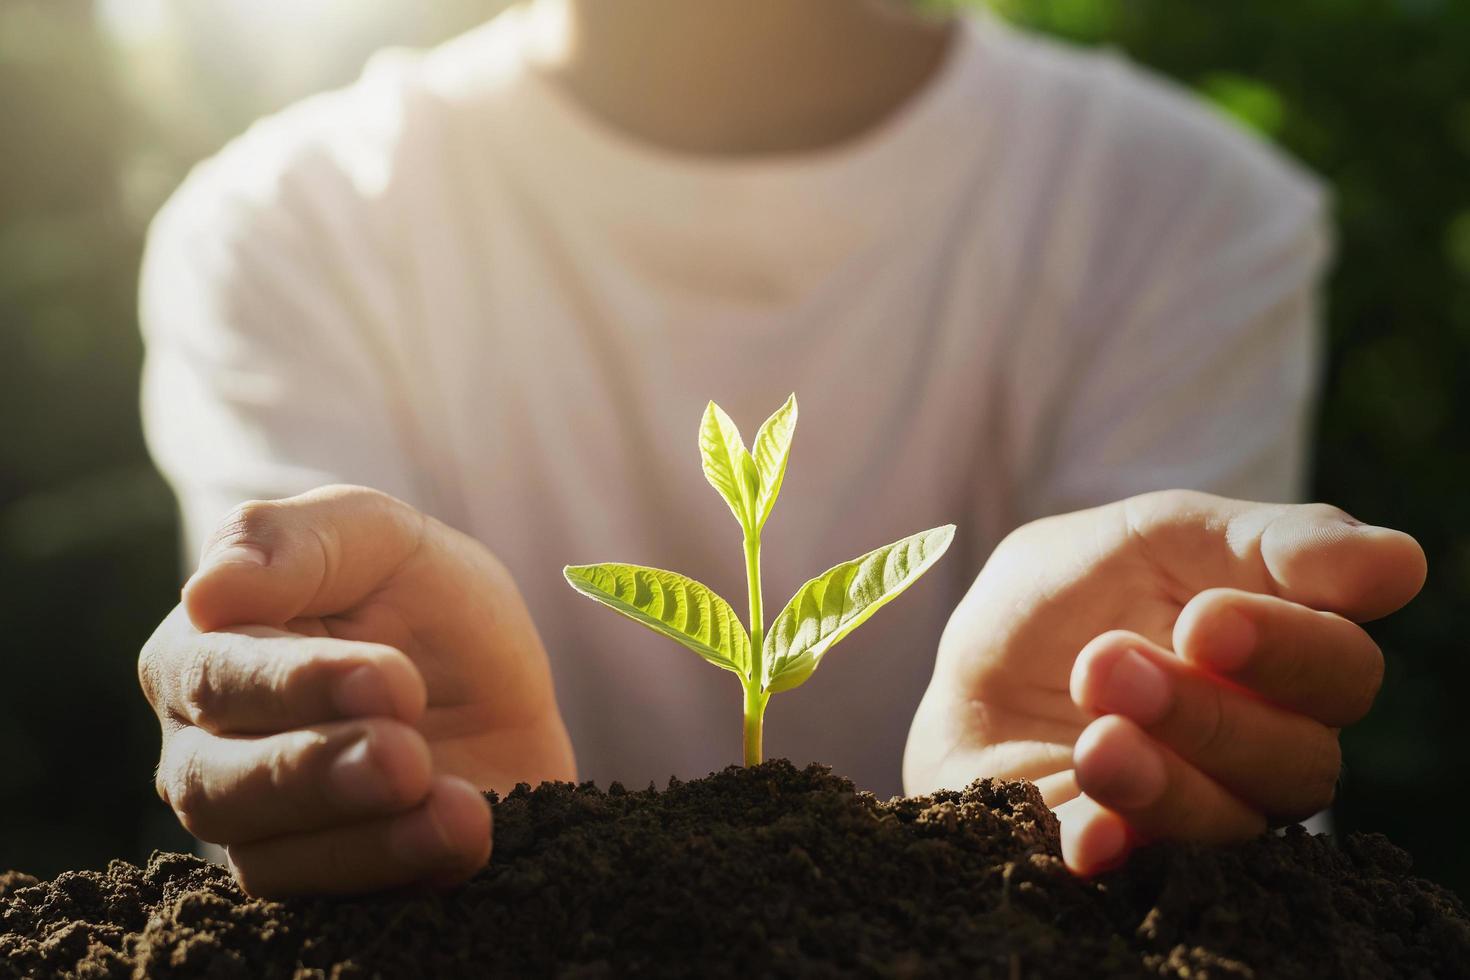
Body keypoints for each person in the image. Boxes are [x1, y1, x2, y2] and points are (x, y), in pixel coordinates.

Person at [136, 0, 1427, 898]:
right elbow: (295, 717)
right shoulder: (288, 224)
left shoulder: (1177, 204)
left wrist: (1111, 803)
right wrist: (372, 796)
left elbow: (1173, 780)